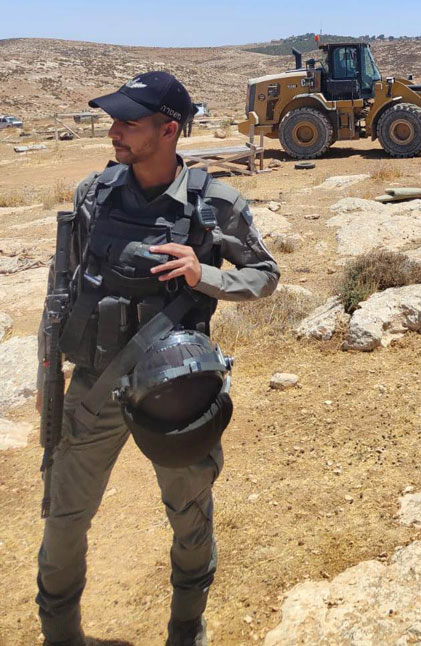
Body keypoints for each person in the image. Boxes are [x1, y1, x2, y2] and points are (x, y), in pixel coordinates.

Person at [36, 72, 280, 646]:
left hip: (177, 392)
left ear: (168, 130)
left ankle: (185, 630)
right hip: (93, 388)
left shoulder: (214, 203)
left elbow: (265, 276)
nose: (114, 131)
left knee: (189, 516)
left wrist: (205, 274)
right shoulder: (93, 193)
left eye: (128, 122)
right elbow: (66, 284)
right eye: (113, 121)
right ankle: (60, 634)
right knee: (64, 519)